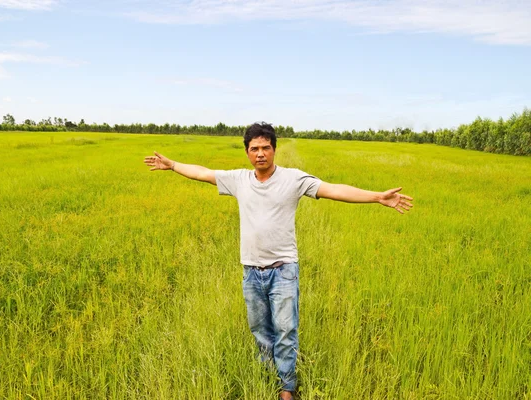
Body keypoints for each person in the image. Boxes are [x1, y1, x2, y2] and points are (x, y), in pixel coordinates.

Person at [144, 122, 413, 400]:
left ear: (274, 149)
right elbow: (203, 173)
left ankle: (287, 388)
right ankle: (265, 377)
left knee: (285, 331)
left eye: (265, 147)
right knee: (260, 330)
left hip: (283, 270)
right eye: (254, 149)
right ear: (247, 152)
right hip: (251, 271)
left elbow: (334, 189)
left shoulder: (293, 180)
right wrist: (173, 164)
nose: (260, 153)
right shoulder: (239, 180)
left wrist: (377, 197)